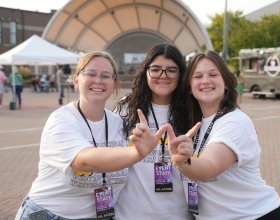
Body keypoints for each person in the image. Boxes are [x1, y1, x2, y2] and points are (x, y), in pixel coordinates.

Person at [15, 51, 167, 220]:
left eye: (106, 75)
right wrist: (137, 152)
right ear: (75, 81)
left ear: (114, 83)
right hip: (49, 214)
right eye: (91, 74)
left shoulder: (119, 123)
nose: (98, 80)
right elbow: (85, 161)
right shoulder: (61, 120)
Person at [165, 50, 280, 219]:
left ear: (226, 83)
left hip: (254, 215)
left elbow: (208, 167)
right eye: (198, 76)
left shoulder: (234, 122)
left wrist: (183, 161)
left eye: (213, 74)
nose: (206, 81)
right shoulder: (199, 123)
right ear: (190, 88)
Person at [114, 43, 193, 219]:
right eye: (155, 69)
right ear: (145, 71)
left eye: (171, 70)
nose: (163, 76)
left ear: (181, 74)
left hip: (178, 213)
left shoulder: (191, 108)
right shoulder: (127, 106)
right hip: (130, 213)